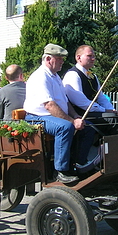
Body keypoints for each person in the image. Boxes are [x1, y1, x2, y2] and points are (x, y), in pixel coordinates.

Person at [24, 43, 95, 183]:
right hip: (36, 117)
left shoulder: (55, 76)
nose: (62, 61)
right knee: (65, 127)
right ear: (49, 59)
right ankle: (60, 171)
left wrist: (75, 116)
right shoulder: (40, 77)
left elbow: (65, 102)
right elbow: (49, 105)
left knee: (88, 127)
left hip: (49, 116)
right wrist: (72, 121)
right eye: (59, 58)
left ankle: (78, 165)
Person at [63, 45, 118, 135]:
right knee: (112, 118)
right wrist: (104, 110)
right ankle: (116, 147)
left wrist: (111, 109)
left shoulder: (93, 76)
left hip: (95, 111)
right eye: (89, 56)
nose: (93, 59)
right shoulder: (73, 75)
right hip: (81, 113)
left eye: (93, 56)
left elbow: (101, 97)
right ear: (78, 57)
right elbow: (80, 101)